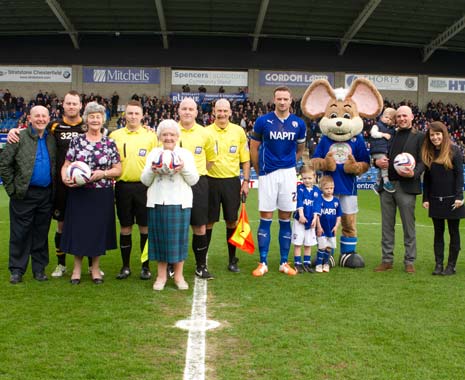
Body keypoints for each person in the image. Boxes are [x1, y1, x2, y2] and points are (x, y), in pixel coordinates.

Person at [6, 90, 97, 278]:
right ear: (62, 105)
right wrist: (15, 130)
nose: (71, 106)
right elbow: (6, 162)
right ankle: (40, 267)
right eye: (68, 103)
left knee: (47, 231)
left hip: (78, 187)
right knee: (50, 228)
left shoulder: (88, 126)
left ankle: (86, 266)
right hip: (55, 187)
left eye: (75, 103)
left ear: (81, 106)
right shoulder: (53, 128)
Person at [61, 102, 121, 284]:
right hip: (80, 193)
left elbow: (118, 169)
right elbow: (66, 165)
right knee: (79, 230)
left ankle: (95, 269)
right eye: (92, 116)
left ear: (103, 119)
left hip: (101, 193)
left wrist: (103, 173)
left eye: (98, 116)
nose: (95, 119)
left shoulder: (109, 142)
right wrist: (65, 178)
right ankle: (76, 270)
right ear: (86, 119)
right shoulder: (77, 141)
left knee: (97, 231)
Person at [249, 86, 307, 277]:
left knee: (285, 219)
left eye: (286, 99)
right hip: (268, 174)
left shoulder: (299, 124)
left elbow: (300, 150)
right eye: (279, 99)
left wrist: (290, 164)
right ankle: (263, 262)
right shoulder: (263, 121)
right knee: (265, 217)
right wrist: (259, 171)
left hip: (289, 174)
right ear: (274, 100)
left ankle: (284, 262)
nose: (282, 102)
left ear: (291, 101)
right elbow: (254, 148)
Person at [0, 106, 56, 284]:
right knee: (20, 233)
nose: (40, 119)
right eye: (36, 116)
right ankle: (17, 270)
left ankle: (39, 269)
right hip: (23, 194)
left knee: (41, 233)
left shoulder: (52, 139)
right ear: (29, 119)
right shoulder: (18, 137)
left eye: (43, 116)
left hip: (46, 194)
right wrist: (12, 190)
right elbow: (4, 165)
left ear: (48, 118)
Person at [141, 119, 199, 291]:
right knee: (159, 241)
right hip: (157, 202)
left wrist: (182, 168)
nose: (168, 137)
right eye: (165, 134)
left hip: (180, 203)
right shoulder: (153, 154)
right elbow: (144, 181)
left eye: (172, 134)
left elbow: (194, 179)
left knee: (178, 241)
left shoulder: (185, 154)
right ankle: (161, 276)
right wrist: (152, 169)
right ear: (159, 137)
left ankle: (179, 277)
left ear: (177, 136)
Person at [110, 100, 158, 280]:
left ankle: (145, 267)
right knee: (125, 227)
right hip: (122, 186)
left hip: (145, 187)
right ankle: (125, 266)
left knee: (145, 228)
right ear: (124, 115)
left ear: (142, 115)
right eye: (130, 113)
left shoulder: (150, 136)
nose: (133, 116)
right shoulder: (114, 135)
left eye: (136, 113)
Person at [374, 105, 425, 274]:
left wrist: (414, 173)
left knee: (408, 225)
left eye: (405, 116)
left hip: (407, 186)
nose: (402, 118)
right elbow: (378, 154)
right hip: (387, 186)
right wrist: (376, 163)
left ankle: (409, 260)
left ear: (412, 117)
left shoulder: (419, 137)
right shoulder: (390, 135)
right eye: (399, 116)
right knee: (386, 225)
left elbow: (423, 161)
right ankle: (387, 260)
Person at [205, 99, 251, 273]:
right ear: (214, 112)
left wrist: (246, 182)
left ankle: (233, 259)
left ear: (230, 112)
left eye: (225, 111)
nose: (222, 114)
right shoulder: (206, 132)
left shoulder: (239, 132)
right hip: (210, 181)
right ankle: (203, 260)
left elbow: (245, 160)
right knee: (208, 222)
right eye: (219, 110)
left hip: (231, 182)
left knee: (232, 221)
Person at [177, 97, 217, 279]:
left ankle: (201, 265)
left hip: (199, 183)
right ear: (178, 111)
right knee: (176, 226)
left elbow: (210, 161)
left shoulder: (205, 134)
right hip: (174, 183)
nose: (187, 112)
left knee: (200, 226)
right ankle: (172, 265)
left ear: (196, 112)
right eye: (184, 108)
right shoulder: (170, 130)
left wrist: (196, 174)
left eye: (190, 109)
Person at [421, 121, 465, 275]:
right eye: (432, 135)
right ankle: (438, 264)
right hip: (435, 200)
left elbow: (460, 175)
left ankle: (451, 266)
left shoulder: (454, 150)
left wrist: (459, 196)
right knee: (438, 233)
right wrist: (425, 198)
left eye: (437, 134)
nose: (435, 137)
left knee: (454, 232)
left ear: (444, 134)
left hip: (453, 200)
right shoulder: (429, 152)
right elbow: (427, 180)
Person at [292, 165, 321, 273]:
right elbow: (299, 202)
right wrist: (301, 215)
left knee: (308, 243)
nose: (307, 180)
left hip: (311, 221)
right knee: (298, 243)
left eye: (309, 178)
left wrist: (314, 219)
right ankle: (297, 264)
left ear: (314, 177)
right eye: (304, 178)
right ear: (301, 178)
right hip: (300, 220)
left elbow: (317, 206)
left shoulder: (317, 191)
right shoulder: (300, 188)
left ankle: (307, 263)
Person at [315, 176, 341, 273]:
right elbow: (317, 215)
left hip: (331, 229)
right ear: (321, 188)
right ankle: (318, 264)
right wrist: (319, 226)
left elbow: (339, 215)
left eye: (331, 188)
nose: (329, 190)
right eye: (327, 188)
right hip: (322, 229)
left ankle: (326, 264)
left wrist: (336, 226)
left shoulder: (336, 201)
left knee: (329, 248)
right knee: (321, 247)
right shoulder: (319, 200)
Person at [370, 107, 396, 193]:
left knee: (382, 167)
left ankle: (377, 184)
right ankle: (386, 181)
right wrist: (383, 134)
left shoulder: (392, 130)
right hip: (378, 150)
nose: (388, 120)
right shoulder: (377, 125)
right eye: (386, 117)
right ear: (381, 117)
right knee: (385, 164)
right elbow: (373, 133)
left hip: (384, 151)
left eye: (390, 119)